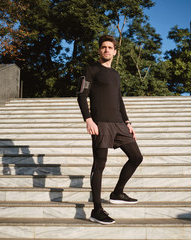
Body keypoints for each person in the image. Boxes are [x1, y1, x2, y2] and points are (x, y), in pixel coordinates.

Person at [77, 35, 143, 225]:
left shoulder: (115, 74)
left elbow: (119, 99)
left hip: (119, 124)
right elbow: (82, 96)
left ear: (115, 51)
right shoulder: (90, 70)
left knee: (136, 157)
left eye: (110, 47)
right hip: (100, 123)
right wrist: (88, 119)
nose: (106, 50)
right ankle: (96, 210)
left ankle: (117, 192)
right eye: (103, 47)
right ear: (99, 50)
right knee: (99, 165)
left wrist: (128, 122)